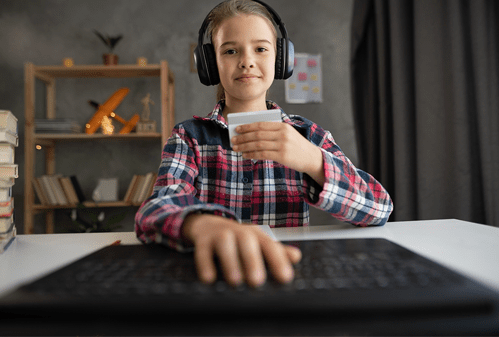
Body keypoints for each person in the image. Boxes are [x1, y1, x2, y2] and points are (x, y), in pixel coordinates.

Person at [135, 0, 393, 288]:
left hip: (286, 278)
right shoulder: (188, 138)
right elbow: (155, 209)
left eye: (260, 48)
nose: (246, 60)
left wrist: (313, 161)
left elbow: (379, 208)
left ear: (281, 59)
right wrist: (201, 224)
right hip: (213, 281)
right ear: (209, 64)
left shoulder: (306, 136)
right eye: (230, 51)